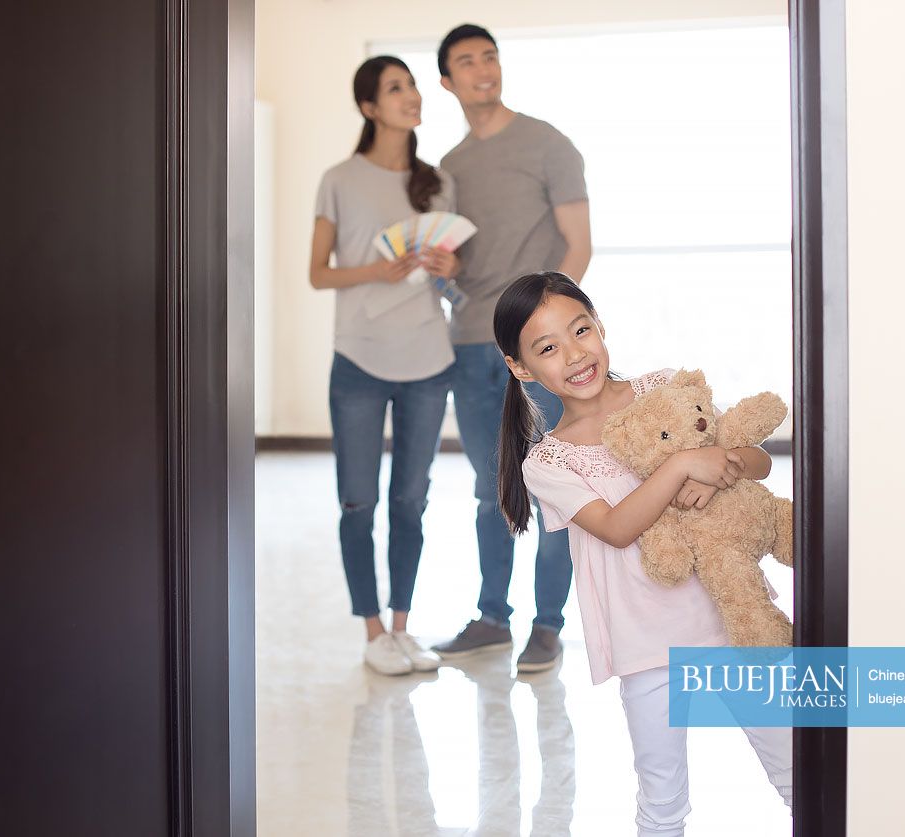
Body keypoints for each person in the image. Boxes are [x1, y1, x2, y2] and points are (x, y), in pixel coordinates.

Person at [494, 271, 793, 835]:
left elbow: (757, 461)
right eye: (548, 348)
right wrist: (682, 466)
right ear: (521, 367)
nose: (575, 354)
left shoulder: (664, 391)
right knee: (662, 800)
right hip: (647, 649)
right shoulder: (550, 461)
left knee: (800, 772)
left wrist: (720, 470)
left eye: (581, 330)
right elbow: (615, 527)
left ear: (600, 326)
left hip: (732, 622)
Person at [431, 23, 593, 674]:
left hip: (540, 352)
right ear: (447, 82)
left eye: (489, 56)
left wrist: (550, 336)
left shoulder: (547, 143)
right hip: (471, 344)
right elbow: (455, 263)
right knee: (489, 489)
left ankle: (547, 625)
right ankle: (492, 617)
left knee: (556, 489)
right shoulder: (448, 168)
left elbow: (577, 246)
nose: (482, 68)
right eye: (466, 62)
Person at [309, 56, 460, 676]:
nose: (412, 95)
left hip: (429, 358)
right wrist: (376, 269)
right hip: (359, 362)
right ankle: (371, 632)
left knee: (411, 501)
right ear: (369, 107)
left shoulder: (438, 182)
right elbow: (317, 273)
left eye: (413, 84)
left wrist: (452, 273)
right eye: (396, 88)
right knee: (357, 501)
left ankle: (402, 626)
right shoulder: (339, 179)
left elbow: (451, 283)